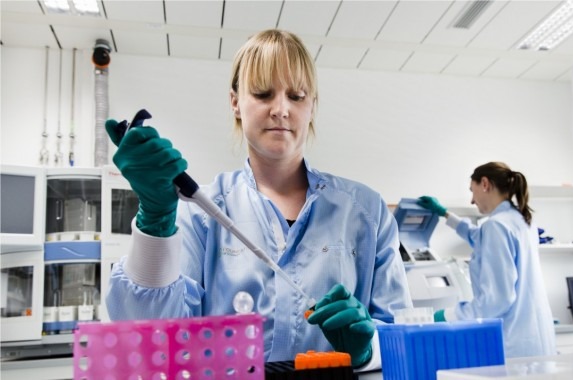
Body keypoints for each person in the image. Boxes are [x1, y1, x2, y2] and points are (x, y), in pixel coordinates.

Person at [105, 29, 412, 369]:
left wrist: (368, 349)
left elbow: (404, 337)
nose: (281, 109)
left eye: (296, 96)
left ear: (312, 107)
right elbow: (153, 340)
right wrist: (155, 221)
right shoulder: (202, 213)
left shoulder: (366, 212)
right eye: (264, 94)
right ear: (235, 102)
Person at [418, 162, 556, 358]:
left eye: (472, 191)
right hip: (536, 341)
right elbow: (478, 238)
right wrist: (444, 213)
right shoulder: (521, 221)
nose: (473, 201)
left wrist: (446, 316)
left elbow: (495, 301)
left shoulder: (496, 226)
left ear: (485, 183)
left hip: (513, 345)